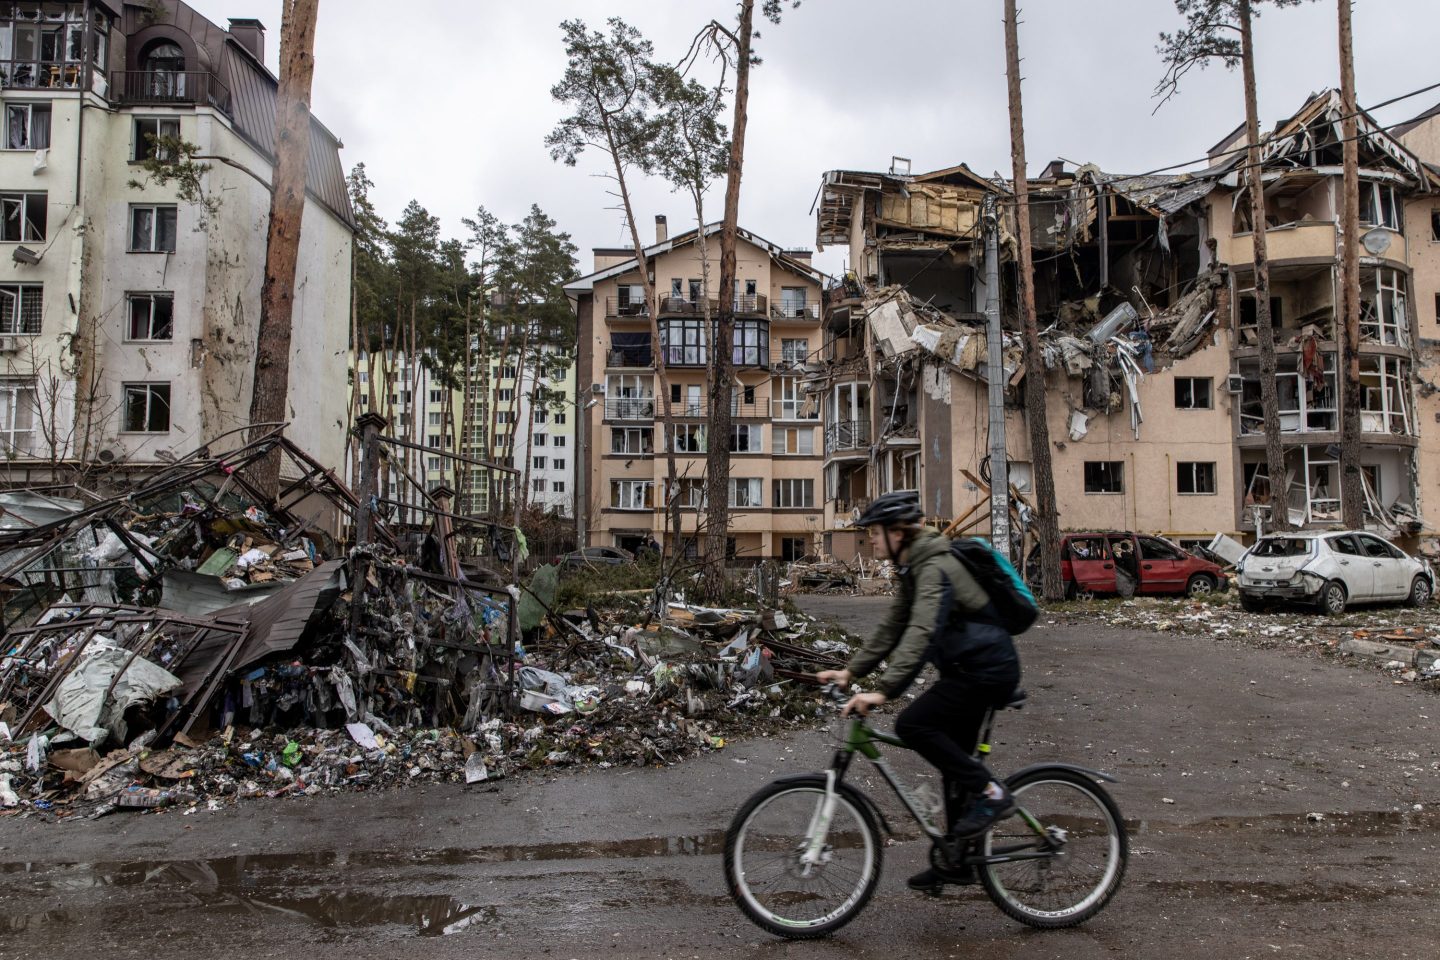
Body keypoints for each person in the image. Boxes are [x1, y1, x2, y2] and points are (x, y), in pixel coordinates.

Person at [816, 491, 1022, 892]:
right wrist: (850, 672)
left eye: (874, 533)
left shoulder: (934, 567)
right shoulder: (914, 568)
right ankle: (957, 860)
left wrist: (884, 691)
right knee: (954, 765)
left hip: (986, 671)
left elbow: (921, 630)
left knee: (914, 724)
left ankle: (993, 793)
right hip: (968, 670)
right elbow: (893, 626)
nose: (870, 540)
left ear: (898, 533)